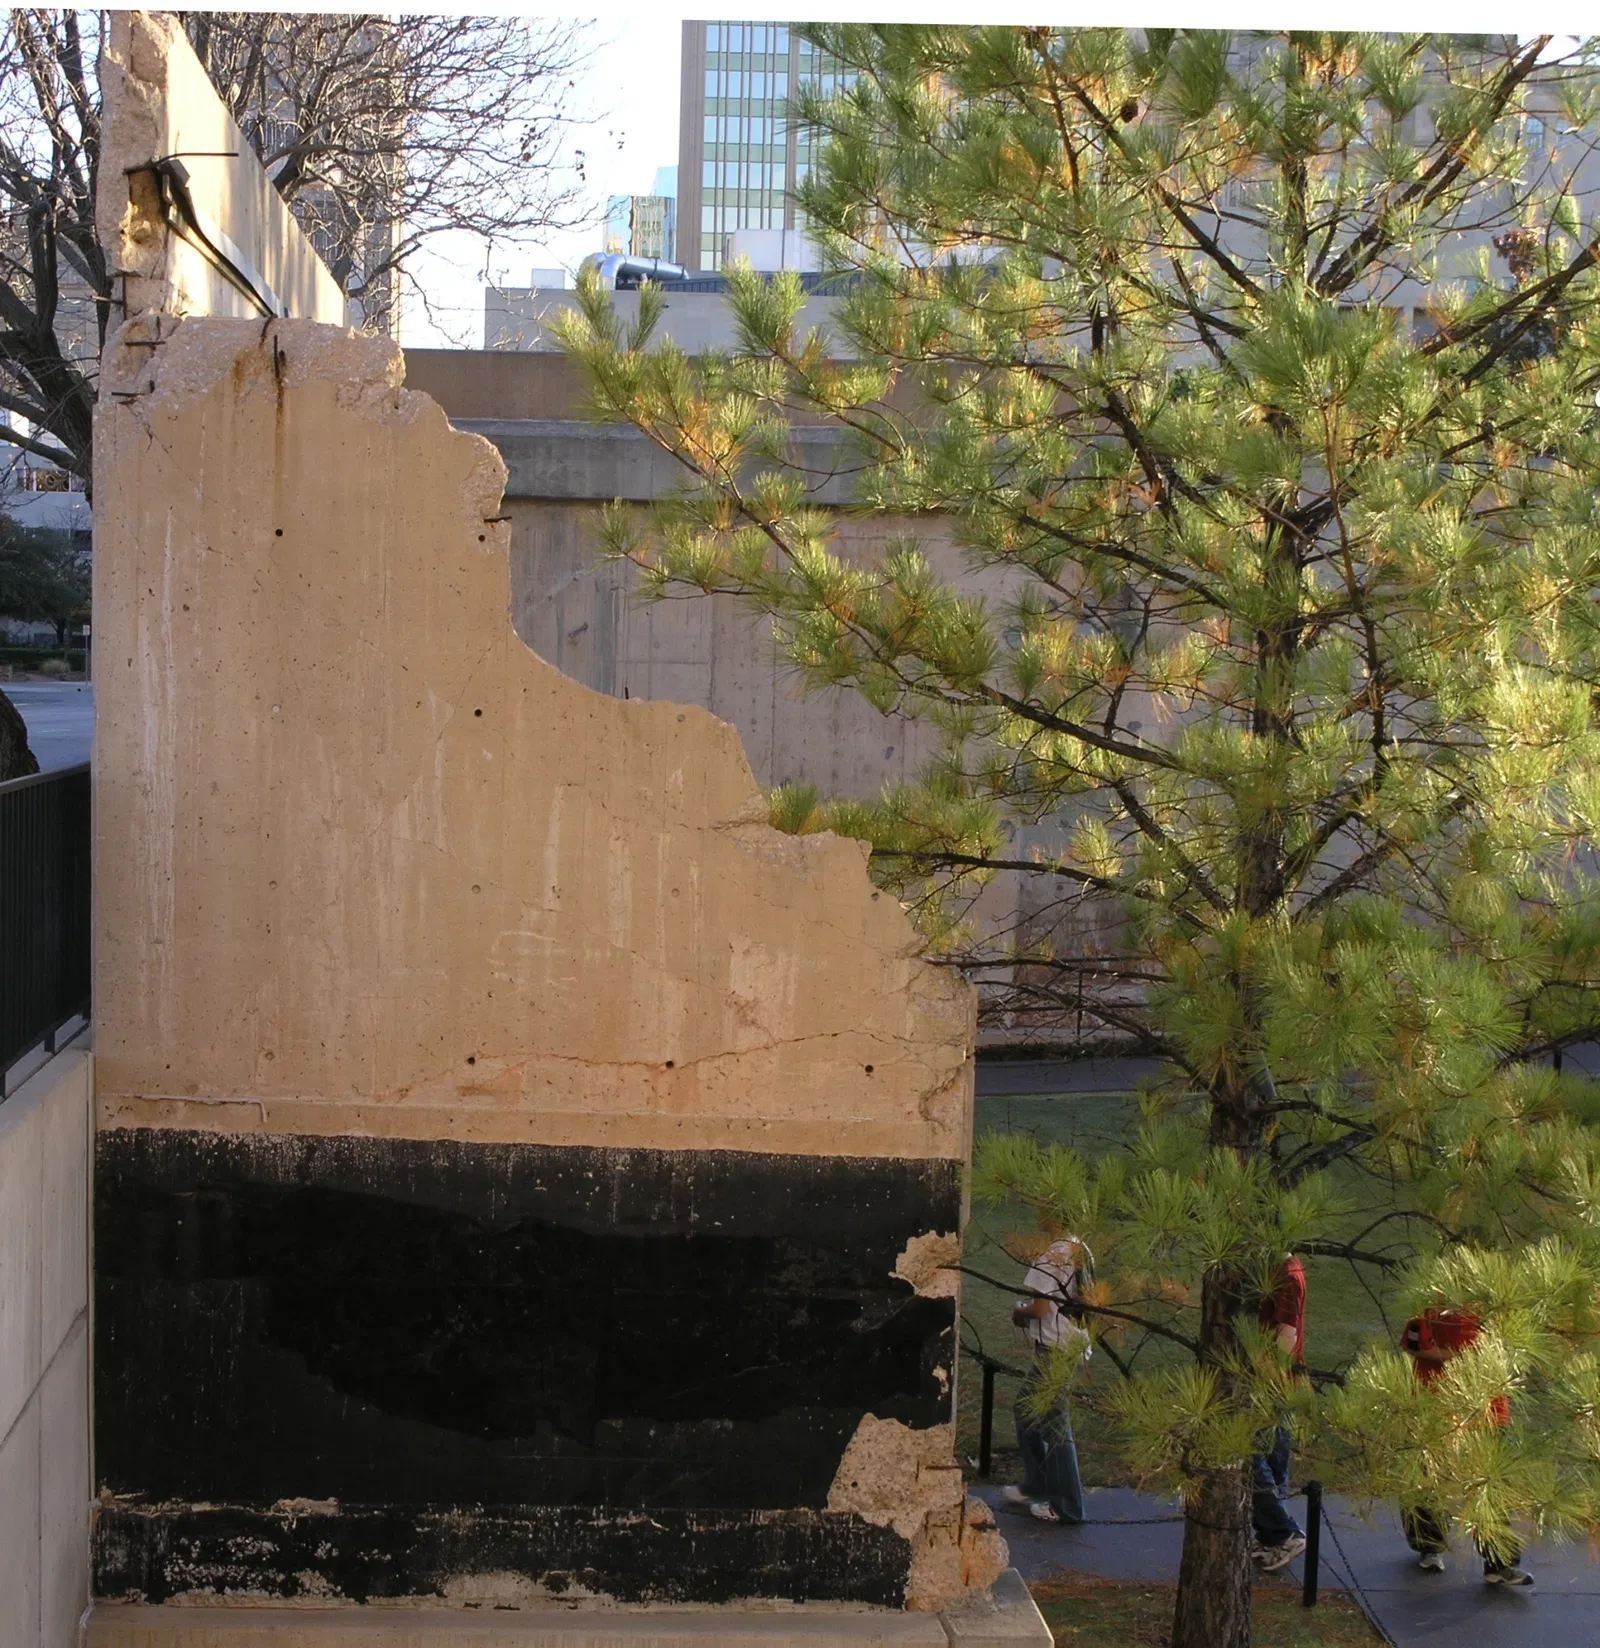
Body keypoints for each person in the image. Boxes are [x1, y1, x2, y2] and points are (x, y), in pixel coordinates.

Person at [1399, 1308, 1533, 1587]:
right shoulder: (1435, 1296)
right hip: (1438, 1405)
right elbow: (1415, 1343)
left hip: (1489, 1410)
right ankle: (1429, 1545)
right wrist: (1466, 1357)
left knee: (1491, 1486)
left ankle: (1499, 1563)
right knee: (1427, 1480)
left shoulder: (1498, 1296)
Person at [1003, 1233, 1093, 1525]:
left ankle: (1067, 1505)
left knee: (1054, 1423)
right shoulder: (1081, 1247)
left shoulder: (1054, 1254)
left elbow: (1041, 1310)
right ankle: (1038, 1483)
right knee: (1026, 1409)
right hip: (1072, 1344)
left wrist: (1019, 1312)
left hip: (1056, 1349)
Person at [1251, 1253, 1309, 1574]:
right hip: (1278, 1382)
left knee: (1251, 1455)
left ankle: (1284, 1532)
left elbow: (1287, 1335)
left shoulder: (1288, 1275)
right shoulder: (1278, 1268)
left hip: (1273, 1382)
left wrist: (1265, 1379)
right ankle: (1273, 1537)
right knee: (1274, 1459)